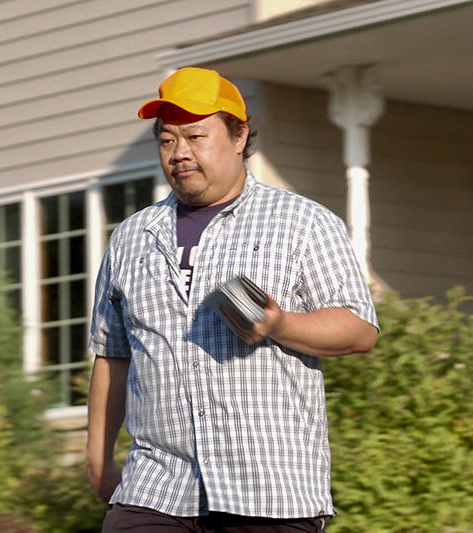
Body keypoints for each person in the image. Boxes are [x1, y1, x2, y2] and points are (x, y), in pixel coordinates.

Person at [86, 67, 379, 533]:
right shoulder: (131, 237)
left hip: (269, 493)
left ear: (239, 136)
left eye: (195, 136)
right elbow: (113, 355)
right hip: (156, 489)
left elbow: (359, 329)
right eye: (167, 140)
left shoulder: (303, 222)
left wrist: (281, 325)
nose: (179, 152)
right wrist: (99, 462)